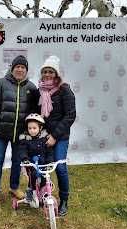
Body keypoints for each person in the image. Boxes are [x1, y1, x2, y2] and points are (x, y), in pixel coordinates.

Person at [0, 55, 37, 206]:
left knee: (17, 162)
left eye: (23, 67)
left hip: (20, 134)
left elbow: (35, 109)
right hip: (1, 132)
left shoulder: (31, 88)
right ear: (12, 68)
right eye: (17, 67)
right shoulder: (0, 84)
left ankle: (14, 187)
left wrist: (30, 127)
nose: (20, 70)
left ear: (26, 70)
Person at [36, 55, 76, 215]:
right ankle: (44, 193)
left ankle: (64, 199)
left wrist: (54, 136)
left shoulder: (65, 90)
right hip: (43, 135)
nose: (47, 75)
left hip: (60, 137)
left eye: (50, 72)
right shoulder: (40, 90)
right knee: (43, 166)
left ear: (56, 75)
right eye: (45, 72)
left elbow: (70, 115)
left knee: (60, 167)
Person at [19, 113, 55, 201]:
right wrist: (25, 159)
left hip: (43, 164)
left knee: (46, 177)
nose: (32, 131)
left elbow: (50, 152)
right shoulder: (26, 140)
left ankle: (44, 191)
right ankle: (30, 190)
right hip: (31, 164)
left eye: (34, 128)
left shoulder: (44, 139)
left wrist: (50, 162)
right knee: (33, 175)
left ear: (40, 128)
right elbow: (22, 151)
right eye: (30, 128)